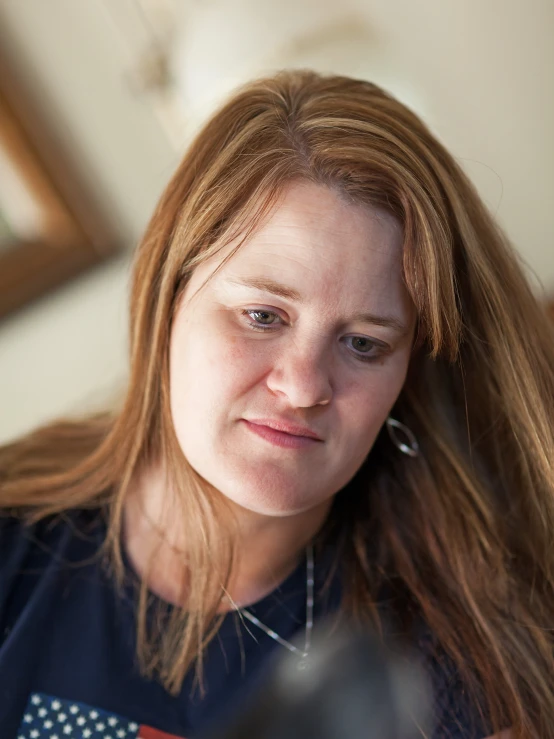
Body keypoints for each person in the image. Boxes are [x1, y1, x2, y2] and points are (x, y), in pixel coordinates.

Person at [0, 69, 552, 739]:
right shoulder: (15, 535)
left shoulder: (465, 659)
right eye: (263, 315)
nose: (302, 387)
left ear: (408, 372)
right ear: (168, 298)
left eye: (363, 343)